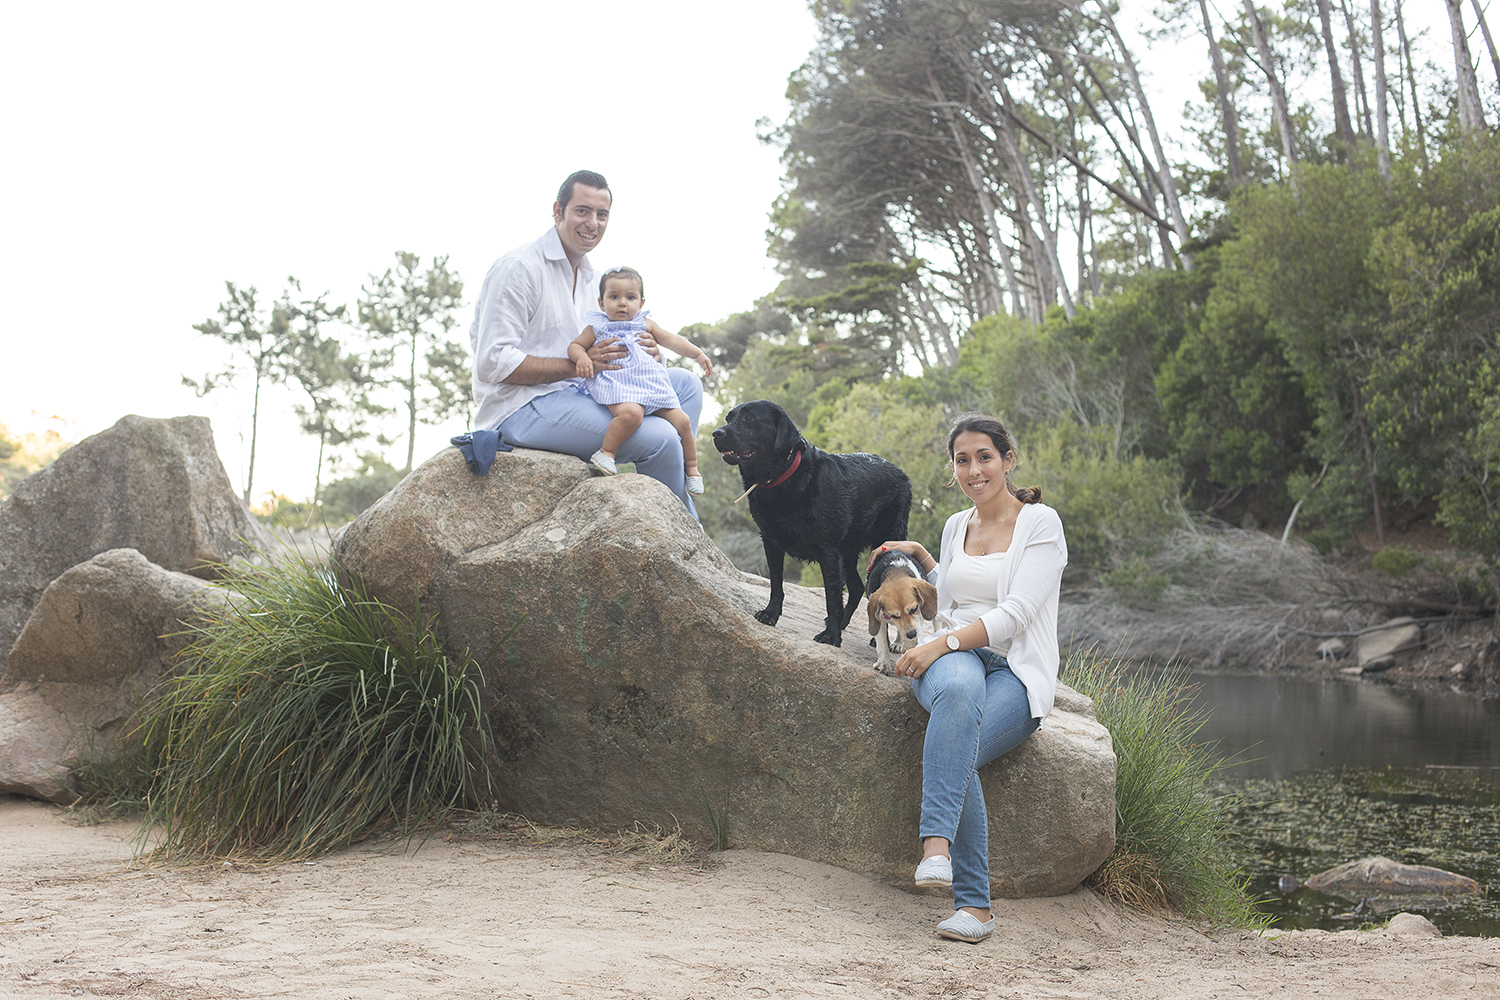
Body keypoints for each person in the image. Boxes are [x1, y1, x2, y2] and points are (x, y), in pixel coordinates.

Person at [869, 415, 1067, 944]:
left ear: (1008, 459)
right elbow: (950, 597)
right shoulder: (957, 525)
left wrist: (940, 643)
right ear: (953, 467)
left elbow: (1018, 611)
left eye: (984, 456)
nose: (974, 469)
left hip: (1014, 668)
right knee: (956, 693)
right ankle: (943, 860)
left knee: (961, 745)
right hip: (958, 664)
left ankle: (967, 895)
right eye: (962, 459)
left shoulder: (1041, 524)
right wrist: (910, 556)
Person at [468, 170, 704, 514]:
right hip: (522, 406)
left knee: (688, 386)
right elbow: (493, 363)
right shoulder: (519, 268)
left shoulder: (596, 279)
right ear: (558, 211)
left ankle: (667, 510)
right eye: (582, 211)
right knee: (663, 437)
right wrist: (581, 364)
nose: (592, 223)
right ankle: (687, 535)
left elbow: (610, 345)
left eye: (602, 214)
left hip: (580, 390)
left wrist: (648, 352)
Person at [567, 266, 713, 494]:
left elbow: (672, 340)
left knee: (683, 421)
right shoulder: (597, 327)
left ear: (641, 303)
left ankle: (692, 470)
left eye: (630, 297)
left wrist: (698, 354)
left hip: (651, 388)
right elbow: (574, 345)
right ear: (602, 303)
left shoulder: (647, 324)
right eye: (614, 297)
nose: (622, 303)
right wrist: (582, 357)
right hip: (618, 385)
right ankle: (606, 453)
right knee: (631, 415)